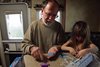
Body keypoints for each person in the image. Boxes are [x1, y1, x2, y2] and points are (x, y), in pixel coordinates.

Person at [21, 0, 65, 64]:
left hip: (53, 61)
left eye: (54, 15)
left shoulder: (59, 27)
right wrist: (31, 48)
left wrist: (56, 47)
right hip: (37, 61)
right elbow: (23, 45)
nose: (51, 18)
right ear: (42, 11)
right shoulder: (33, 26)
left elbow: (63, 45)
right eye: (48, 14)